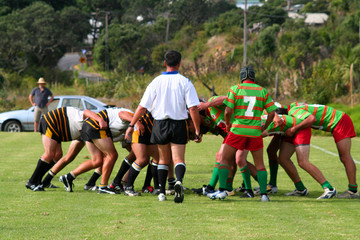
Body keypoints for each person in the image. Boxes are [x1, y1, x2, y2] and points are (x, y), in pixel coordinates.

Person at [125, 50, 202, 203]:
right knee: (179, 158)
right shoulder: (185, 82)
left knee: (163, 160)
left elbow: (142, 107)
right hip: (179, 124)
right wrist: (198, 130)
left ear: (165, 63)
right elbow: (193, 108)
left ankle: (161, 192)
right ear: (179, 64)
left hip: (159, 124)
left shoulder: (155, 82)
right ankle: (178, 181)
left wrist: (131, 125)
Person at [207, 66, 277, 202]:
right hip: (255, 131)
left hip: (238, 130)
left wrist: (227, 124)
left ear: (242, 77)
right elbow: (272, 113)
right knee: (260, 164)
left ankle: (221, 191)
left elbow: (227, 111)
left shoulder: (235, 89)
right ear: (253, 77)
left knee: (224, 160)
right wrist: (265, 126)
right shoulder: (263, 91)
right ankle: (264, 195)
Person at [286, 102, 358, 199]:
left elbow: (312, 119)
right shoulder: (294, 106)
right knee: (344, 157)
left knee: (345, 157)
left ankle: (353, 191)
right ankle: (352, 190)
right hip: (339, 119)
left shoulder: (292, 110)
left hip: (339, 121)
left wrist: (294, 129)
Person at [25, 107, 107, 191]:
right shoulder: (93, 120)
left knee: (57, 155)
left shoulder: (90, 128)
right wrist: (100, 120)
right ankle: (32, 181)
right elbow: (86, 111)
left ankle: (39, 181)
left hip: (58, 128)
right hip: (51, 121)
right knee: (49, 154)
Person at [59, 107, 135, 194]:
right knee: (112, 155)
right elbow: (122, 113)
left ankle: (69, 177)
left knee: (97, 161)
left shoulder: (128, 126)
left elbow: (127, 145)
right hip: (95, 127)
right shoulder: (132, 116)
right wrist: (137, 122)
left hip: (88, 127)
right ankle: (103, 187)